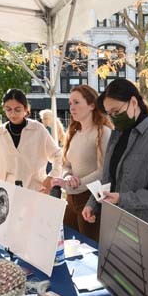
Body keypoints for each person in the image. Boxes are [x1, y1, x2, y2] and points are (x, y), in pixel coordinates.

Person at [82, 79, 148, 231]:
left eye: (116, 112)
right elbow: (108, 178)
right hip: (116, 224)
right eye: (109, 114)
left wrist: (122, 198)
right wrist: (93, 203)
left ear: (133, 102)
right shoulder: (116, 135)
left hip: (146, 228)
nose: (113, 118)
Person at [51, 85, 112, 241]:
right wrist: (68, 177)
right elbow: (66, 164)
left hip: (90, 201)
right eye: (70, 103)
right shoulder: (74, 133)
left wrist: (76, 183)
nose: (72, 107)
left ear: (92, 105)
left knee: (90, 252)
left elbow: (105, 171)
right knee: (68, 248)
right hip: (71, 200)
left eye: (76, 102)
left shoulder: (103, 132)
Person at [0, 88, 62, 192]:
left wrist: (52, 176)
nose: (13, 114)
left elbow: (57, 155)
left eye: (17, 109)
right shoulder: (0, 132)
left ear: (26, 109)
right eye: (8, 109)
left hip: (35, 192)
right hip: (8, 194)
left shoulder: (38, 129)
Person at [38, 109, 67, 199]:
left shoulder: (48, 129)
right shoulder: (55, 128)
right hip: (52, 159)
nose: (42, 120)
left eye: (44, 118)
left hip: (51, 159)